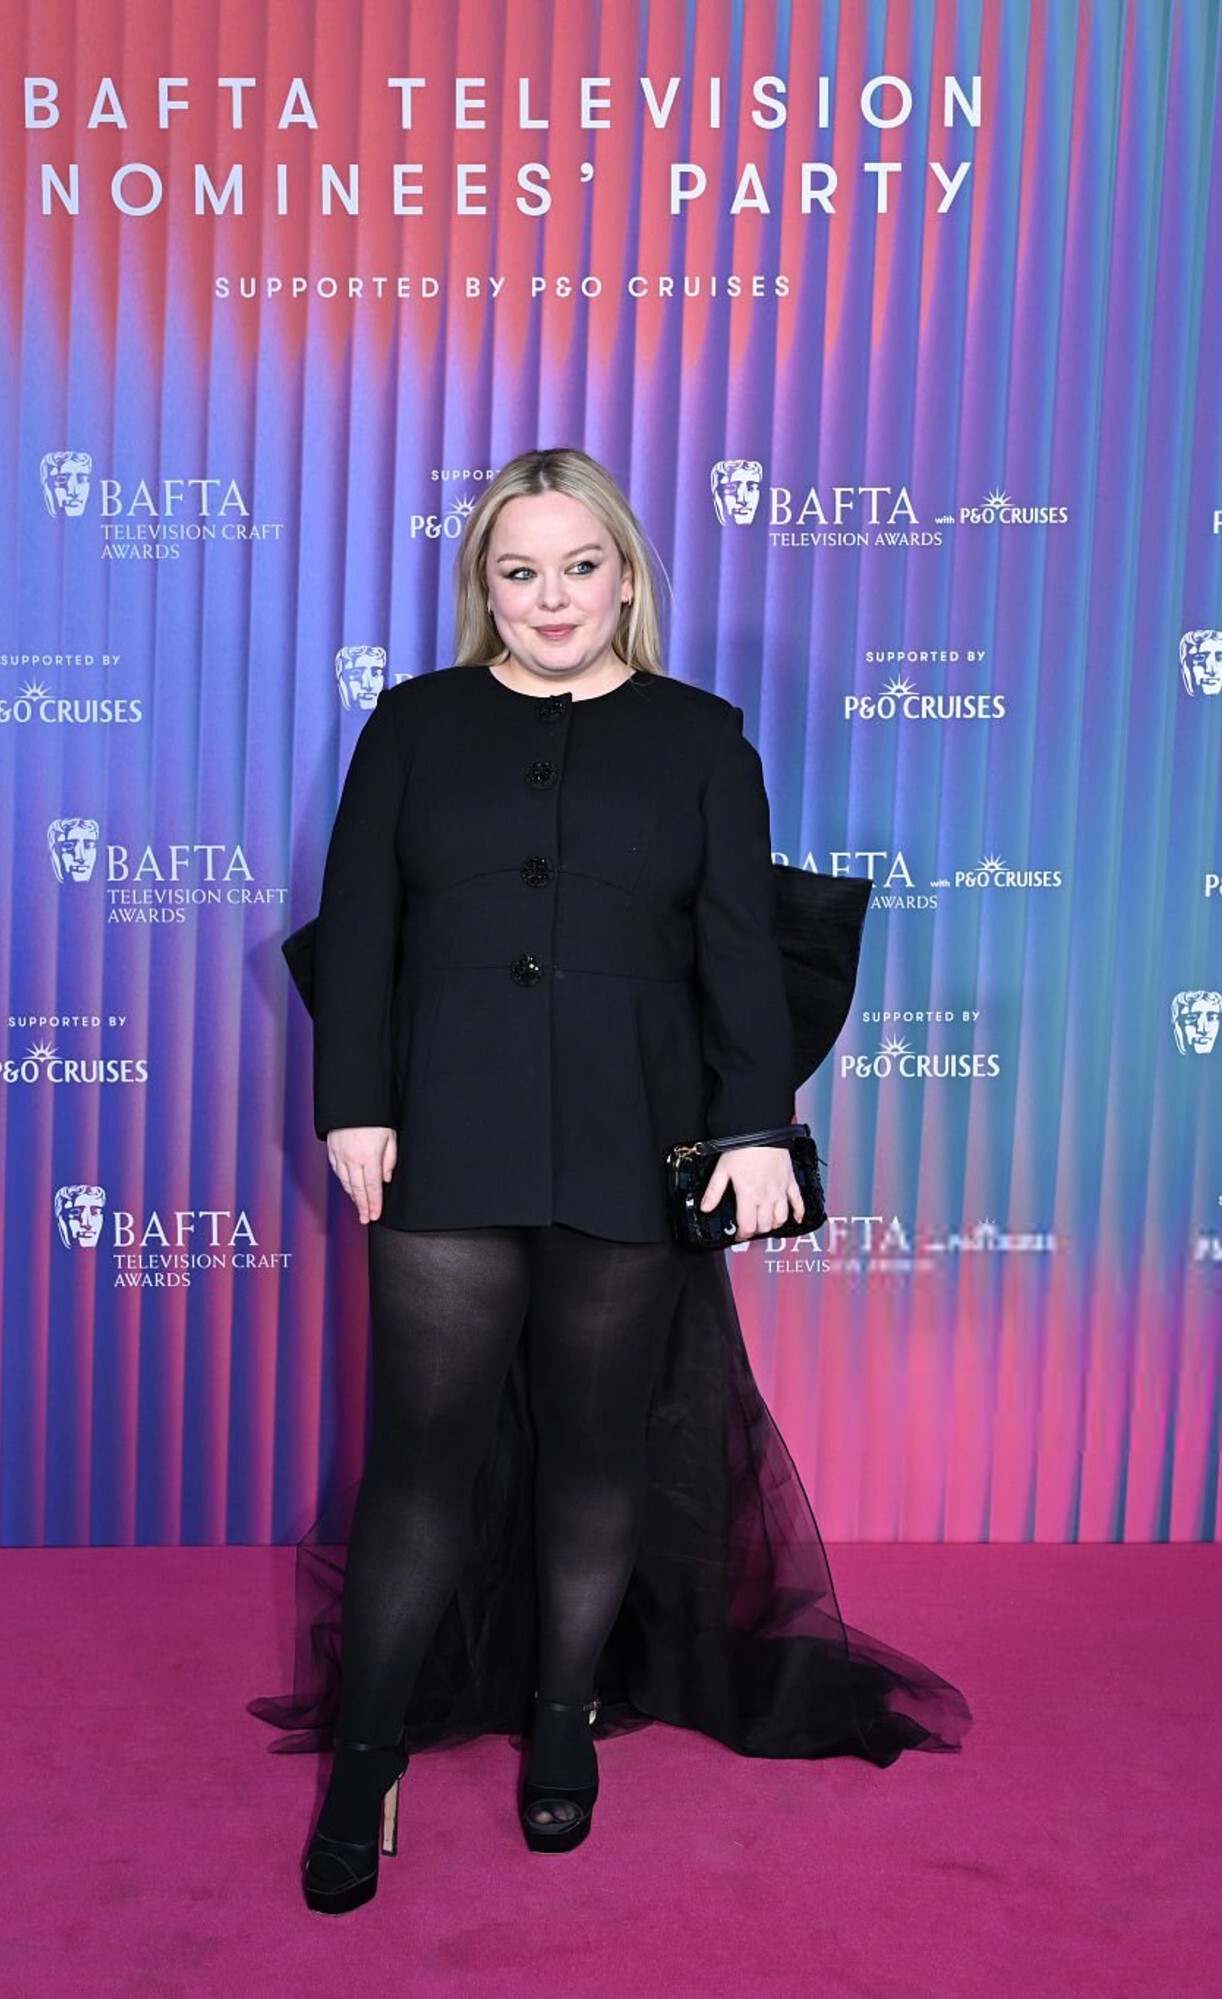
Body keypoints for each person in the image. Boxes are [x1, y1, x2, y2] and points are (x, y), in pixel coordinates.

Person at [266, 446, 965, 1916]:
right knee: (422, 1463)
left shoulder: (701, 739)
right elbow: (366, 921)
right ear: (485, 585)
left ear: (627, 577)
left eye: (579, 568)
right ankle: (367, 1758)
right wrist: (354, 1107)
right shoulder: (415, 724)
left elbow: (736, 952)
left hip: (632, 1138)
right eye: (519, 572)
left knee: (597, 1456)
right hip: (446, 1130)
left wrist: (757, 1128)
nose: (551, 598)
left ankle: (562, 1725)